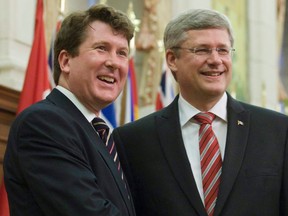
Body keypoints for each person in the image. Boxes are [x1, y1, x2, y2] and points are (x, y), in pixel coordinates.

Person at [112, 8, 288, 216]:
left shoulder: (277, 130)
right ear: (172, 59)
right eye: (202, 50)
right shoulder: (132, 140)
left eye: (223, 50)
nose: (215, 60)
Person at [4, 4, 136, 216]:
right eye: (101, 48)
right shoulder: (43, 123)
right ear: (65, 61)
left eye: (122, 53)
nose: (114, 63)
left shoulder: (103, 134)